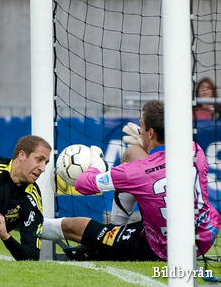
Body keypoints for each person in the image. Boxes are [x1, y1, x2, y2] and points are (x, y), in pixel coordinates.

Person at [42, 100, 221, 261]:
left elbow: (82, 183)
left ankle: (25, 222)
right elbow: (157, 158)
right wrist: (145, 144)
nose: (139, 129)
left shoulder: (134, 173)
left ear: (151, 133)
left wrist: (97, 162)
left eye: (141, 126)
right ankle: (116, 227)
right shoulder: (194, 149)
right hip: (203, 234)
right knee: (132, 152)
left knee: (72, 226)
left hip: (164, 247)